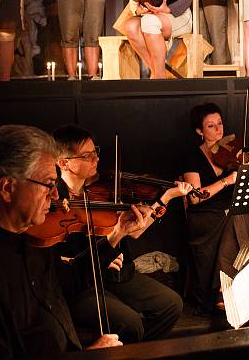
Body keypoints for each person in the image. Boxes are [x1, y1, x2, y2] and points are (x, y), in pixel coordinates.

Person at [0, 125, 121, 355]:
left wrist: (116, 235)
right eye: (48, 184)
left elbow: (66, 282)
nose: (57, 195)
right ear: (7, 187)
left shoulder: (28, 232)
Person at [52, 125, 186, 343]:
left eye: (95, 151)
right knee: (132, 324)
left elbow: (134, 232)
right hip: (83, 282)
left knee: (172, 304)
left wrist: (166, 198)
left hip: (115, 274)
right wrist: (97, 254)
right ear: (64, 163)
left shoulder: (102, 191)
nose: (96, 159)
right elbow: (54, 259)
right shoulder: (54, 199)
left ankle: (136, 350)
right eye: (87, 156)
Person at [181, 103, 249, 316]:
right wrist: (227, 181)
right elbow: (194, 197)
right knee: (235, 220)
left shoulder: (231, 148)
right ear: (199, 131)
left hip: (228, 211)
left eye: (220, 123)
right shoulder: (192, 156)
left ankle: (223, 288)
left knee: (237, 216)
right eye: (211, 126)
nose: (218, 130)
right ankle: (226, 287)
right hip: (204, 215)